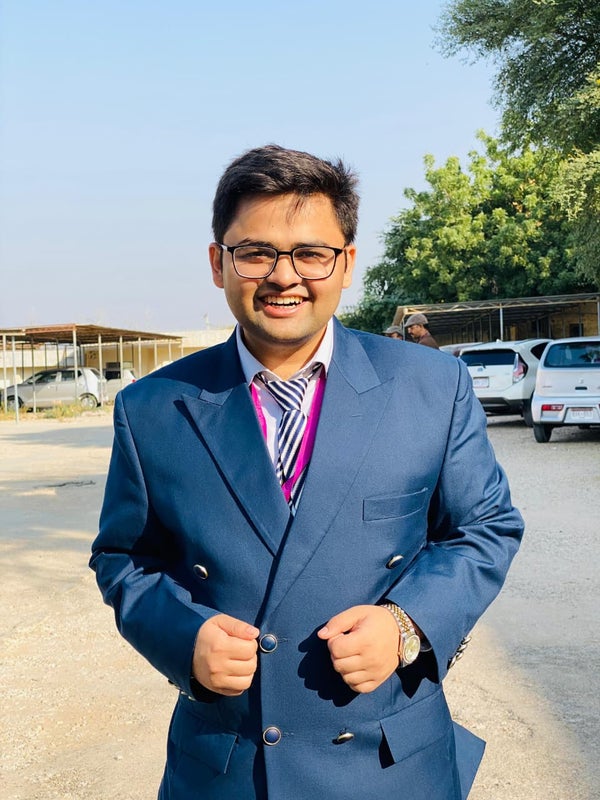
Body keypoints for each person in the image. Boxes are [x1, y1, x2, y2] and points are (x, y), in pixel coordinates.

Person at [90, 144, 524, 800]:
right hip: (227, 769)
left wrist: (405, 625)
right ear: (218, 262)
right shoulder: (152, 408)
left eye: (311, 253)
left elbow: (485, 528)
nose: (283, 276)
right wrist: (184, 638)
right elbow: (124, 557)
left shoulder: (431, 386)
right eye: (255, 252)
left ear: (346, 262)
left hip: (391, 765)